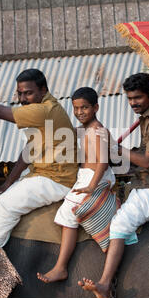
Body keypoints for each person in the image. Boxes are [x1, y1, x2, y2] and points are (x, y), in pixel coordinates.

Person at [78, 73, 149, 298]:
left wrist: (116, 150)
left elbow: (146, 161)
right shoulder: (147, 118)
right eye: (129, 99)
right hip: (145, 181)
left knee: (118, 223)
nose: (133, 103)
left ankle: (105, 284)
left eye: (137, 98)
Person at [0, 68, 79, 247]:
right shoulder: (46, 108)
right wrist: (8, 183)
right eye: (19, 94)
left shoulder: (42, 110)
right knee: (5, 196)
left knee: (4, 205)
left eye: (28, 93)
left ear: (43, 90)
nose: (22, 99)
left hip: (57, 180)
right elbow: (29, 150)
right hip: (46, 173)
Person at [37, 87, 116, 283]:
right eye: (76, 108)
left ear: (96, 107)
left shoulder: (98, 130)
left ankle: (60, 267)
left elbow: (102, 162)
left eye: (85, 108)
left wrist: (91, 186)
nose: (80, 112)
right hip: (84, 175)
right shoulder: (81, 130)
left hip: (95, 176)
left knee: (68, 212)